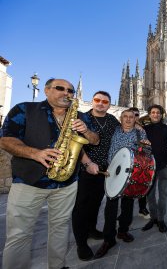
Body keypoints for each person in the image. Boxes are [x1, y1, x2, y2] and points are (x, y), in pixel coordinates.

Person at [0, 78, 99, 269]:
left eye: (70, 90)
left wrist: (86, 131)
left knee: (60, 228)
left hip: (67, 182)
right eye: (60, 88)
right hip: (29, 181)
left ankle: (57, 266)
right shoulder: (24, 109)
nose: (66, 93)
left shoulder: (78, 115)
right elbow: (5, 141)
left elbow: (94, 141)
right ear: (46, 90)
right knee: (19, 235)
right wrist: (35, 153)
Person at [94, 109, 150, 259]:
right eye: (125, 116)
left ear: (135, 119)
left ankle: (123, 230)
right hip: (112, 171)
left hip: (130, 173)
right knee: (110, 207)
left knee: (128, 205)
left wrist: (147, 147)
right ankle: (108, 239)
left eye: (131, 117)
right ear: (121, 118)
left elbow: (146, 155)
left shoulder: (140, 133)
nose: (128, 119)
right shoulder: (114, 129)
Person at [71, 91, 120, 261]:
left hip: (103, 169)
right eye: (97, 100)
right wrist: (87, 163)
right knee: (81, 207)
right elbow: (73, 142)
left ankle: (91, 229)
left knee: (96, 202)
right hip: (84, 169)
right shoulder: (81, 117)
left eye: (104, 101)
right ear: (92, 101)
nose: (100, 103)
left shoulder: (113, 120)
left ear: (109, 104)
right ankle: (81, 243)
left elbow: (121, 135)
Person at [141, 105, 167, 233]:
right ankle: (153, 218)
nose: (155, 115)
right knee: (150, 195)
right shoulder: (144, 129)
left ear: (161, 115)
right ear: (149, 114)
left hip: (163, 166)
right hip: (149, 167)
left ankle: (161, 219)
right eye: (153, 112)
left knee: (163, 195)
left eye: (158, 113)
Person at [129, 107, 151, 219]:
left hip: (142, 161)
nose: (134, 117)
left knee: (142, 185)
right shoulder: (123, 128)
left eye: (136, 115)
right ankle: (125, 214)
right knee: (127, 188)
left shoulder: (143, 128)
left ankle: (142, 208)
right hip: (128, 162)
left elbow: (148, 145)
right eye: (131, 114)